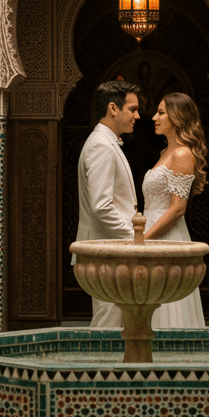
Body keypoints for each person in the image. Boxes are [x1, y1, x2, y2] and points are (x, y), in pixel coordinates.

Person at [75, 80, 141, 328]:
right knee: (108, 325)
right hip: (107, 253)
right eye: (132, 109)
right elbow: (101, 207)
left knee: (117, 323)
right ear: (113, 108)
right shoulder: (101, 146)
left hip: (111, 252)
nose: (137, 115)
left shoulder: (107, 142)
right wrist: (134, 239)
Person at [144, 93, 208, 329]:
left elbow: (178, 209)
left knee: (167, 300)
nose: (154, 118)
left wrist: (144, 238)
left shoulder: (182, 154)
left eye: (161, 113)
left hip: (166, 236)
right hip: (150, 231)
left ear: (177, 117)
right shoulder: (164, 154)